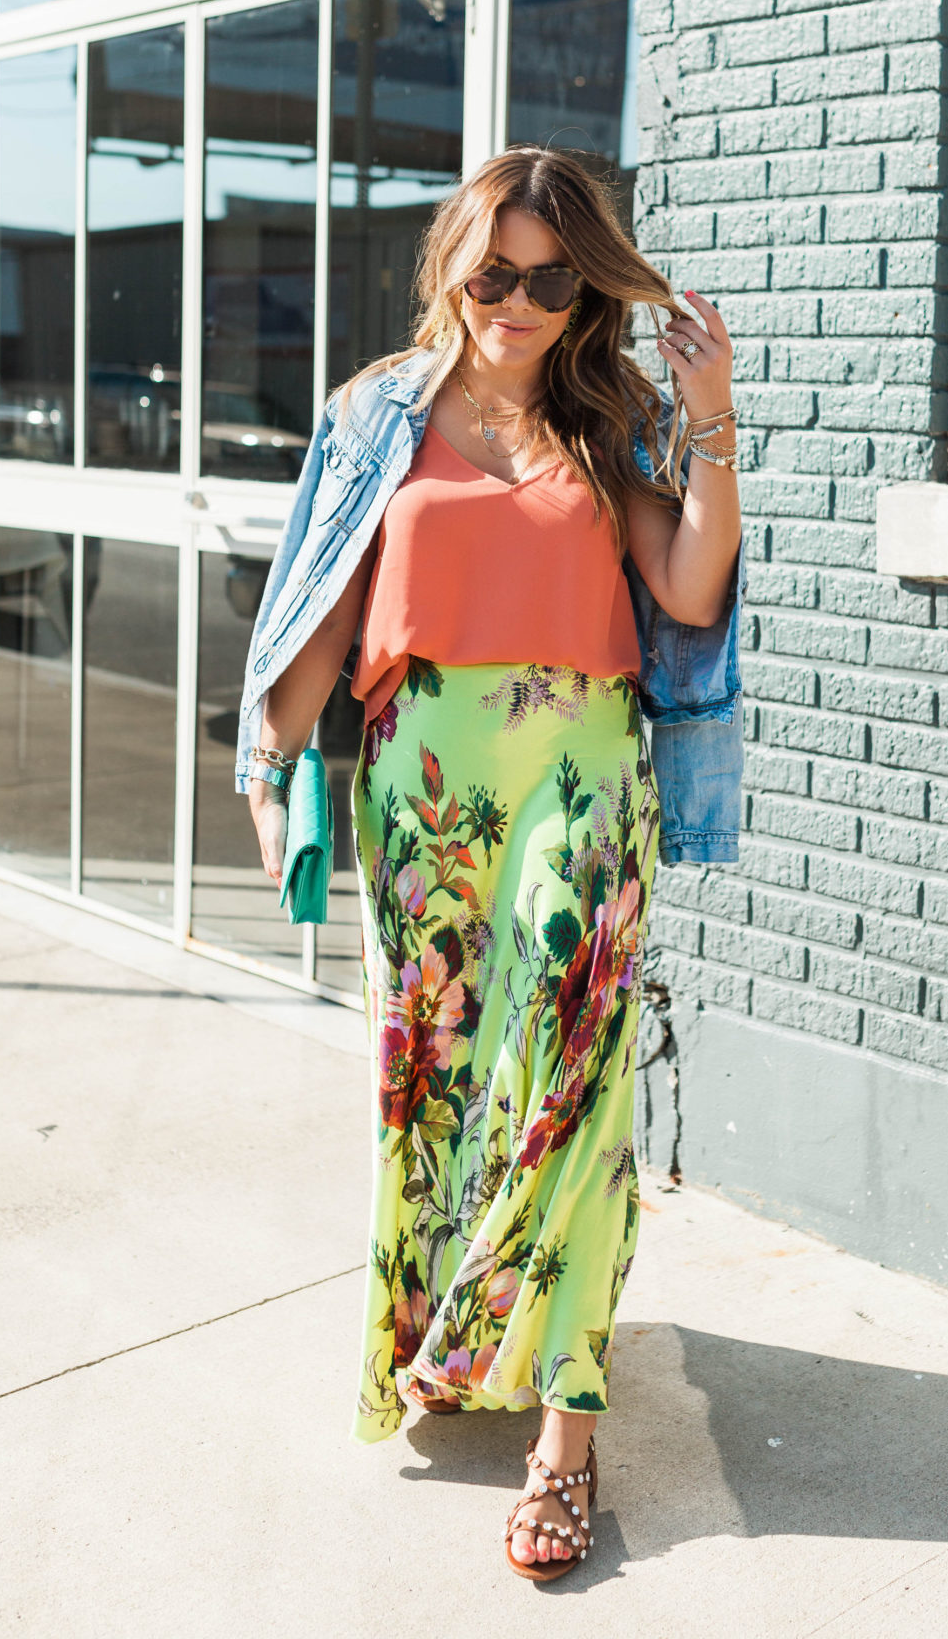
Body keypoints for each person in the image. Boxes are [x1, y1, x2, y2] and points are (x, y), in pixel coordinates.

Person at [236, 146, 742, 1581]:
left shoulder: (608, 420)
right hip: (425, 779)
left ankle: (563, 1447)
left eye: (553, 277)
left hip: (581, 770)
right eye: (495, 270)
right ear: (452, 258)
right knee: (443, 1071)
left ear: (585, 289)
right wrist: (269, 763)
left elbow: (690, 589)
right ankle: (454, 1336)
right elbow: (323, 604)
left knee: (572, 1081)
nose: (517, 301)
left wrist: (710, 417)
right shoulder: (375, 415)